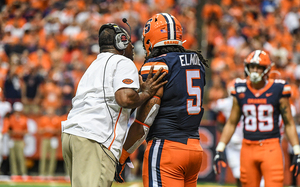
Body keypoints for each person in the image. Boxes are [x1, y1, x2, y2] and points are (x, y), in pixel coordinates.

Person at [61, 22, 167, 187]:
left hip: (72, 134)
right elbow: (124, 99)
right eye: (129, 42)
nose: (132, 46)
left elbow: (115, 103)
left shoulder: (93, 65)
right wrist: (146, 93)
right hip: (95, 137)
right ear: (121, 42)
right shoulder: (122, 62)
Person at [115, 13, 209, 187]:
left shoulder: (157, 64)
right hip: (194, 149)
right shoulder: (197, 62)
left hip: (167, 149)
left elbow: (145, 120)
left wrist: (122, 157)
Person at [213, 50, 300, 187]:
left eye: (259, 67)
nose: (255, 70)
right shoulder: (240, 89)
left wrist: (297, 150)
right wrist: (220, 147)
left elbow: (289, 123)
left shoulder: (278, 89)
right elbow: (231, 122)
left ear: (267, 69)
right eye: (252, 66)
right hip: (247, 147)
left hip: (271, 146)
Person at [210, 80, 243, 187]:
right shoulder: (246, 100)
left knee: (239, 170)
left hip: (234, 138)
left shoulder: (225, 103)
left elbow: (213, 106)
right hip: (239, 137)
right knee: (238, 170)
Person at [5, 102, 28, 180]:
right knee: (13, 158)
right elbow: (7, 130)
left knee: (21, 157)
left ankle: (23, 173)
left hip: (20, 140)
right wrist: (13, 133)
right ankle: (14, 173)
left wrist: (19, 132)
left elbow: (26, 131)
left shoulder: (24, 118)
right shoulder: (10, 118)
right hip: (12, 140)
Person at [38, 107, 61, 179]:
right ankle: (42, 173)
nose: (50, 113)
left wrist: (53, 131)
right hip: (45, 139)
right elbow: (39, 130)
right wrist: (45, 130)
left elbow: (60, 130)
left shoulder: (57, 119)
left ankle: (50, 173)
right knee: (43, 156)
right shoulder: (43, 119)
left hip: (53, 139)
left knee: (53, 157)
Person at [0, 88, 12, 171]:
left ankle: (4, 170)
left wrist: (5, 130)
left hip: (4, 131)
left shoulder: (6, 105)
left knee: (5, 151)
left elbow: (7, 118)